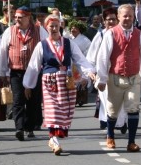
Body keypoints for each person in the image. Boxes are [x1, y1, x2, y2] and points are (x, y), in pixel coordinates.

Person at [24, 15, 94, 155]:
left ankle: (56, 137)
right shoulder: (42, 45)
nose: (54, 29)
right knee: (52, 111)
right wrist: (28, 84)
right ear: (46, 27)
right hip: (50, 82)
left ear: (60, 26)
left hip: (67, 82)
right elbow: (33, 66)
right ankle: (53, 140)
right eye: (51, 26)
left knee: (65, 111)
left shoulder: (68, 43)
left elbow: (80, 59)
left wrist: (89, 72)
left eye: (56, 26)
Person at [95, 4, 141, 152]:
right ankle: (110, 136)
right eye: (124, 16)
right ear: (119, 17)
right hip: (115, 77)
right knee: (113, 110)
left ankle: (131, 142)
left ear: (134, 17)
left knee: (133, 108)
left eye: (130, 16)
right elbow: (103, 57)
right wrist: (101, 79)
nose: (127, 18)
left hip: (133, 78)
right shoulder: (111, 33)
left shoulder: (139, 34)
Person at [0, 6, 48, 141]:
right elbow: (2, 52)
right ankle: (19, 128)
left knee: (33, 101)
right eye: (16, 17)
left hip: (34, 71)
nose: (17, 20)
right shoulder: (10, 31)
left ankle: (29, 127)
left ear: (28, 17)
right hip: (16, 71)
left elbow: (47, 47)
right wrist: (3, 72)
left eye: (20, 17)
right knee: (18, 100)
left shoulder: (39, 30)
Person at [86, 7, 127, 132]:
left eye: (113, 19)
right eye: (108, 20)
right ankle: (107, 121)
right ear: (104, 21)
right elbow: (91, 56)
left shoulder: (125, 33)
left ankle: (121, 122)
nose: (111, 22)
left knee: (121, 99)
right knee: (106, 99)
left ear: (118, 19)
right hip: (104, 72)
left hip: (121, 72)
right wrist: (91, 71)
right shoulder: (101, 35)